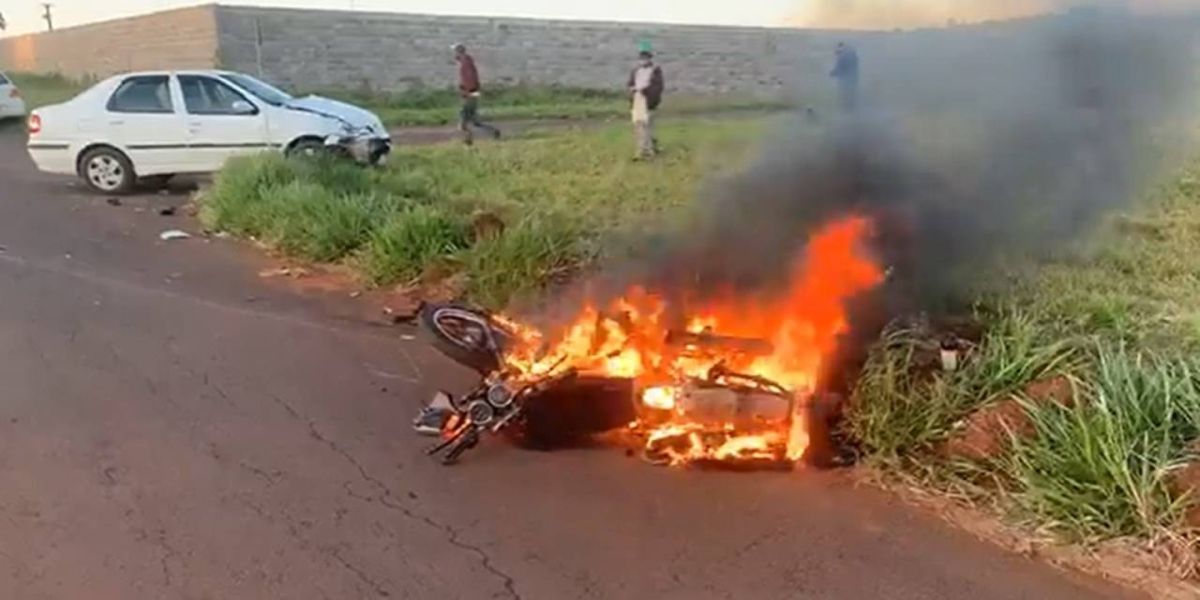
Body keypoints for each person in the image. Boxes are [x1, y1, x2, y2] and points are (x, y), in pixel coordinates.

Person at [453, 43, 501, 146]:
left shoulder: (466, 63)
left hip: (469, 94)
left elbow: (470, 80)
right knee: (474, 121)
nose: (454, 54)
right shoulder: (467, 62)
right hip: (472, 94)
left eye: (455, 52)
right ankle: (493, 132)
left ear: (458, 52)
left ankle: (468, 140)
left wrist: (466, 92)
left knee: (463, 119)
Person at [627, 47, 664, 160]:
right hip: (637, 100)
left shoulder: (655, 71)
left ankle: (649, 150)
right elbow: (630, 83)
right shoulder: (635, 71)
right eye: (641, 58)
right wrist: (632, 89)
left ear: (649, 59)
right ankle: (641, 151)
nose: (643, 60)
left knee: (647, 126)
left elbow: (658, 87)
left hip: (648, 101)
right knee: (638, 125)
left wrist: (646, 91)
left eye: (645, 58)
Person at [830, 42, 860, 112]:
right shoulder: (851, 53)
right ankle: (851, 109)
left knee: (845, 95)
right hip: (853, 78)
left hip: (845, 80)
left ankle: (846, 110)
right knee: (851, 94)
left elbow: (839, 68)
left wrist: (833, 73)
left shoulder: (842, 56)